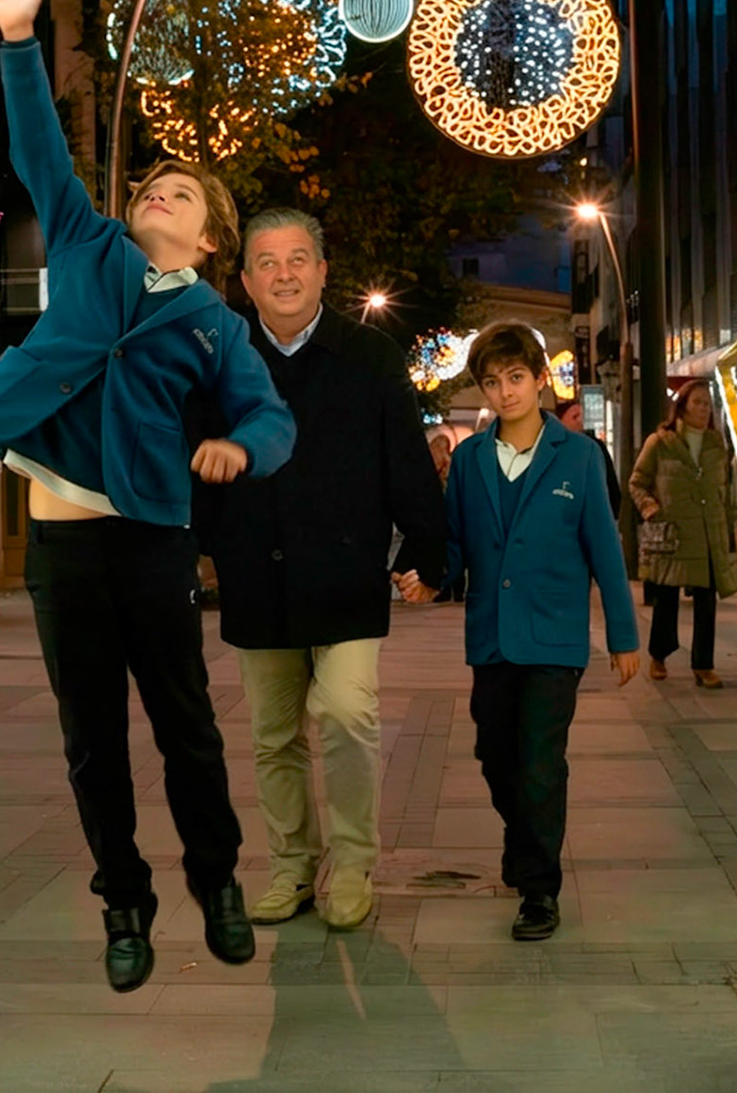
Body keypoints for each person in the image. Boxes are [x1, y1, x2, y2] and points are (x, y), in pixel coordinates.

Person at [0, 0, 297, 995]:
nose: (160, 192)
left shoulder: (213, 323)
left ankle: (218, 878)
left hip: (152, 539)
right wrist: (17, 38)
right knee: (92, 741)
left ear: (208, 238)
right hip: (61, 543)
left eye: (182, 191)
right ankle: (124, 900)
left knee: (187, 727)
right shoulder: (87, 244)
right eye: (154, 183)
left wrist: (240, 445)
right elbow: (43, 154)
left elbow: (270, 416)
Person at [193, 208, 447, 933]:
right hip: (254, 576)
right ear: (245, 280)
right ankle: (292, 868)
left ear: (323, 271)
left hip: (344, 577)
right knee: (273, 735)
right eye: (267, 263)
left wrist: (426, 554)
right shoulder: (220, 360)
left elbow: (406, 463)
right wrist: (202, 545)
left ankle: (355, 863)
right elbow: (193, 456)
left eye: (298, 258)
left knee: (345, 712)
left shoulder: (369, 357)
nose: (284, 274)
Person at [397, 322, 640, 942]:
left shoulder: (581, 457)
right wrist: (430, 580)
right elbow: (455, 546)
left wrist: (622, 635)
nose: (505, 393)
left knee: (539, 760)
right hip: (492, 637)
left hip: (556, 638)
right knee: (495, 755)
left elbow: (605, 552)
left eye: (515, 379)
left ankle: (538, 888)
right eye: (492, 382)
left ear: (539, 381)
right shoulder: (473, 459)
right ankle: (524, 838)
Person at [629, 379, 737, 689]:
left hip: (709, 533)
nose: (704, 409)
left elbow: (725, 488)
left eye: (708, 403)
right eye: (698, 402)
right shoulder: (660, 442)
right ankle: (659, 655)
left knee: (707, 601)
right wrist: (650, 508)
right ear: (682, 406)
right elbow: (637, 482)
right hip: (673, 533)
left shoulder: (716, 443)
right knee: (667, 598)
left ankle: (704, 664)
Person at [555, 397, 622, 517]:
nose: (580, 421)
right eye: (574, 417)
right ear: (560, 422)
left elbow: (610, 482)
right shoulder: (552, 448)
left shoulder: (594, 446)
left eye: (581, 416)